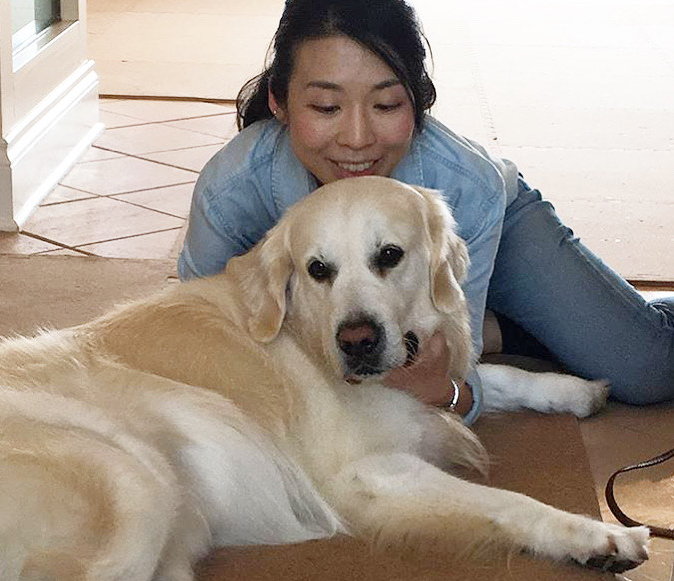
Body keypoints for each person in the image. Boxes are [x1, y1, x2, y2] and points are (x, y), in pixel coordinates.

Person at [178, 0, 674, 424]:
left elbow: (451, 366)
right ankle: (524, 328)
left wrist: (457, 392)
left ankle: (531, 320)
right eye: (326, 108)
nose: (356, 139)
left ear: (419, 103)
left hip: (499, 234)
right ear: (280, 102)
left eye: (387, 105)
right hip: (401, 291)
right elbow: (196, 328)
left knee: (649, 369)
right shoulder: (230, 190)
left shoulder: (468, 184)